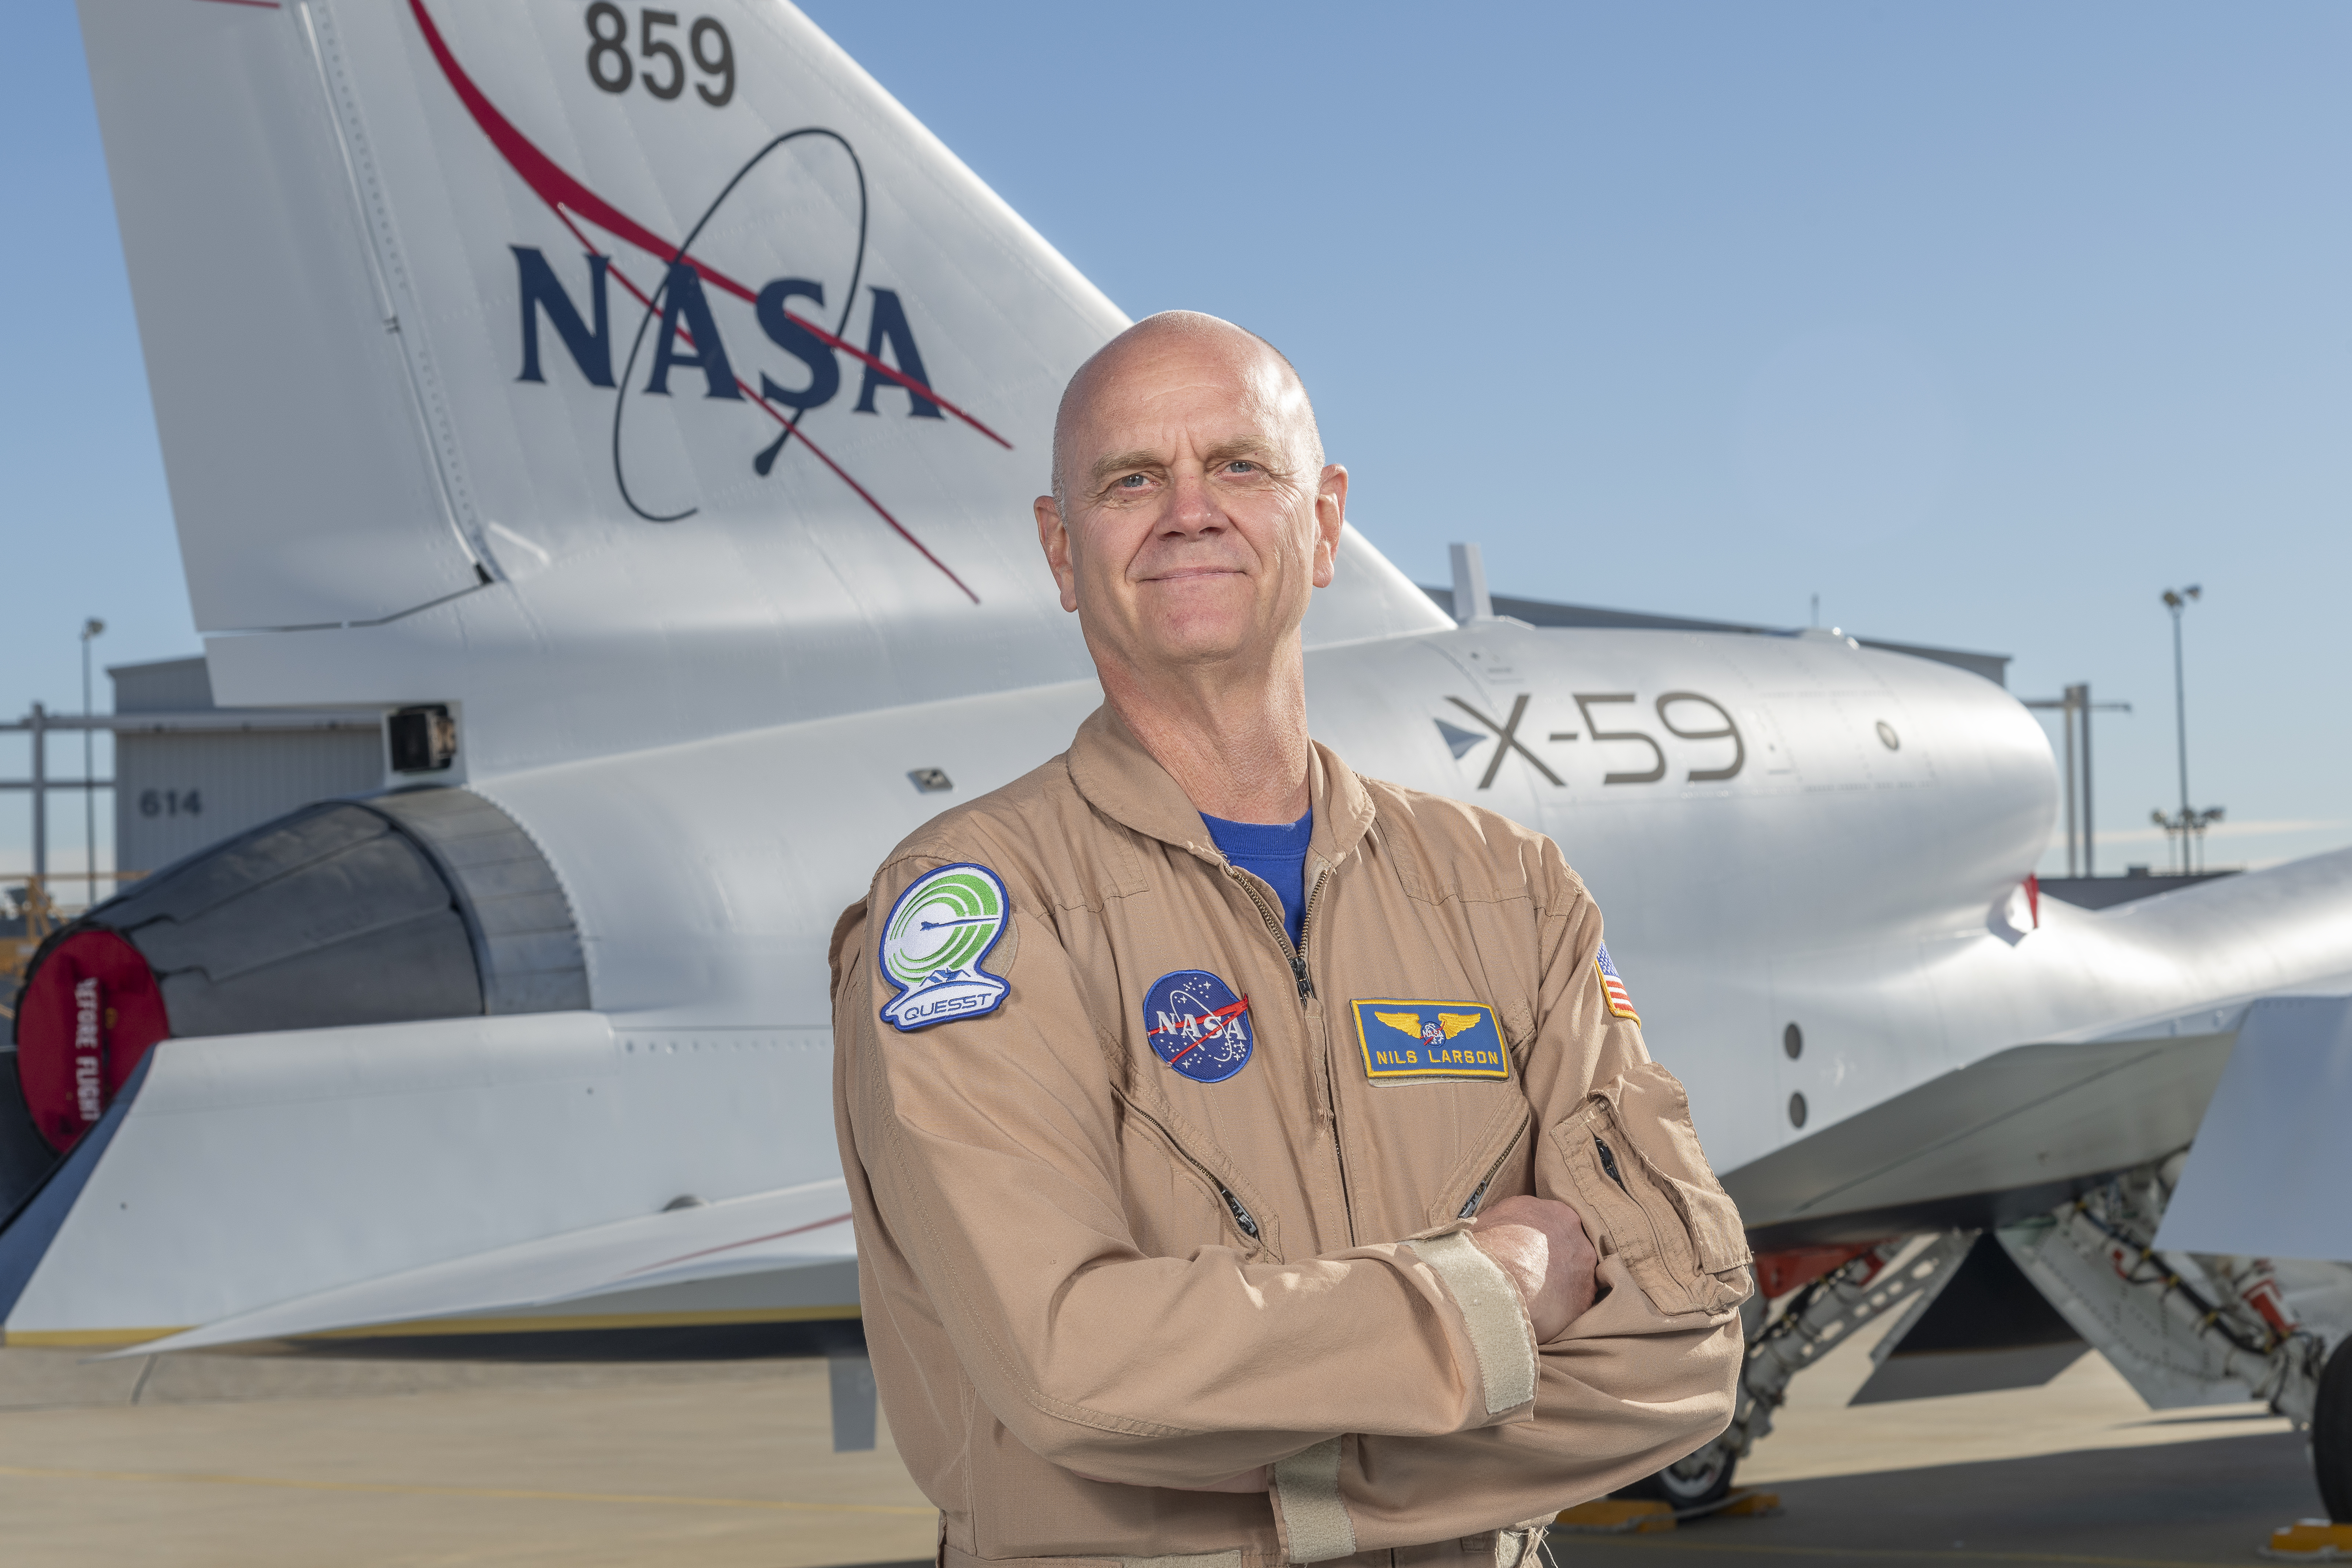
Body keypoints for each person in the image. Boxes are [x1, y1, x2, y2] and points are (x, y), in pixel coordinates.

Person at [831, 312, 1750, 1568]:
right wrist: (1489, 1301)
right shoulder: (975, 903)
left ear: (1322, 525)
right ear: (1061, 549)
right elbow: (1065, 1372)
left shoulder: (1505, 890)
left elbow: (1683, 1346)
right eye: (1130, 479)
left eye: (1239, 467)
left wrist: (1247, 1482)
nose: (1187, 510)